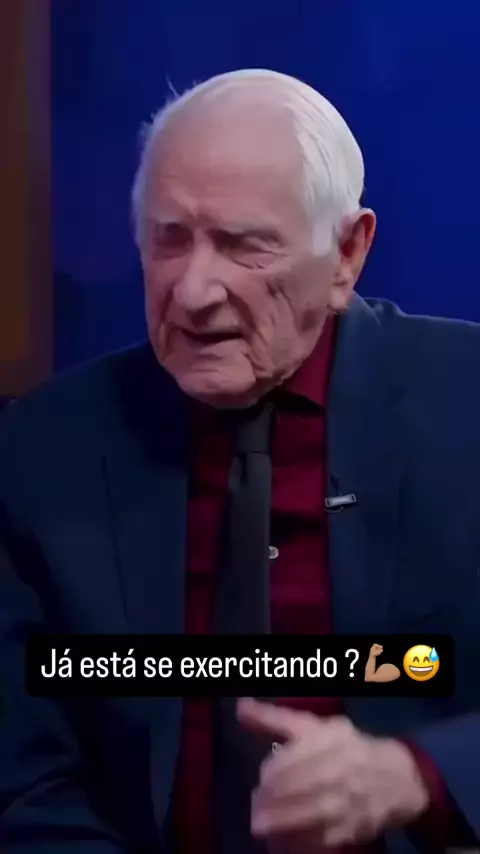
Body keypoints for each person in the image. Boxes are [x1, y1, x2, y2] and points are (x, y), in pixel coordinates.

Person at [0, 68, 479, 854]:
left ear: (347, 253)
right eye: (169, 238)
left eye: (243, 245)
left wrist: (417, 776)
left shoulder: (467, 404)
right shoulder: (44, 447)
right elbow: (26, 773)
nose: (193, 292)